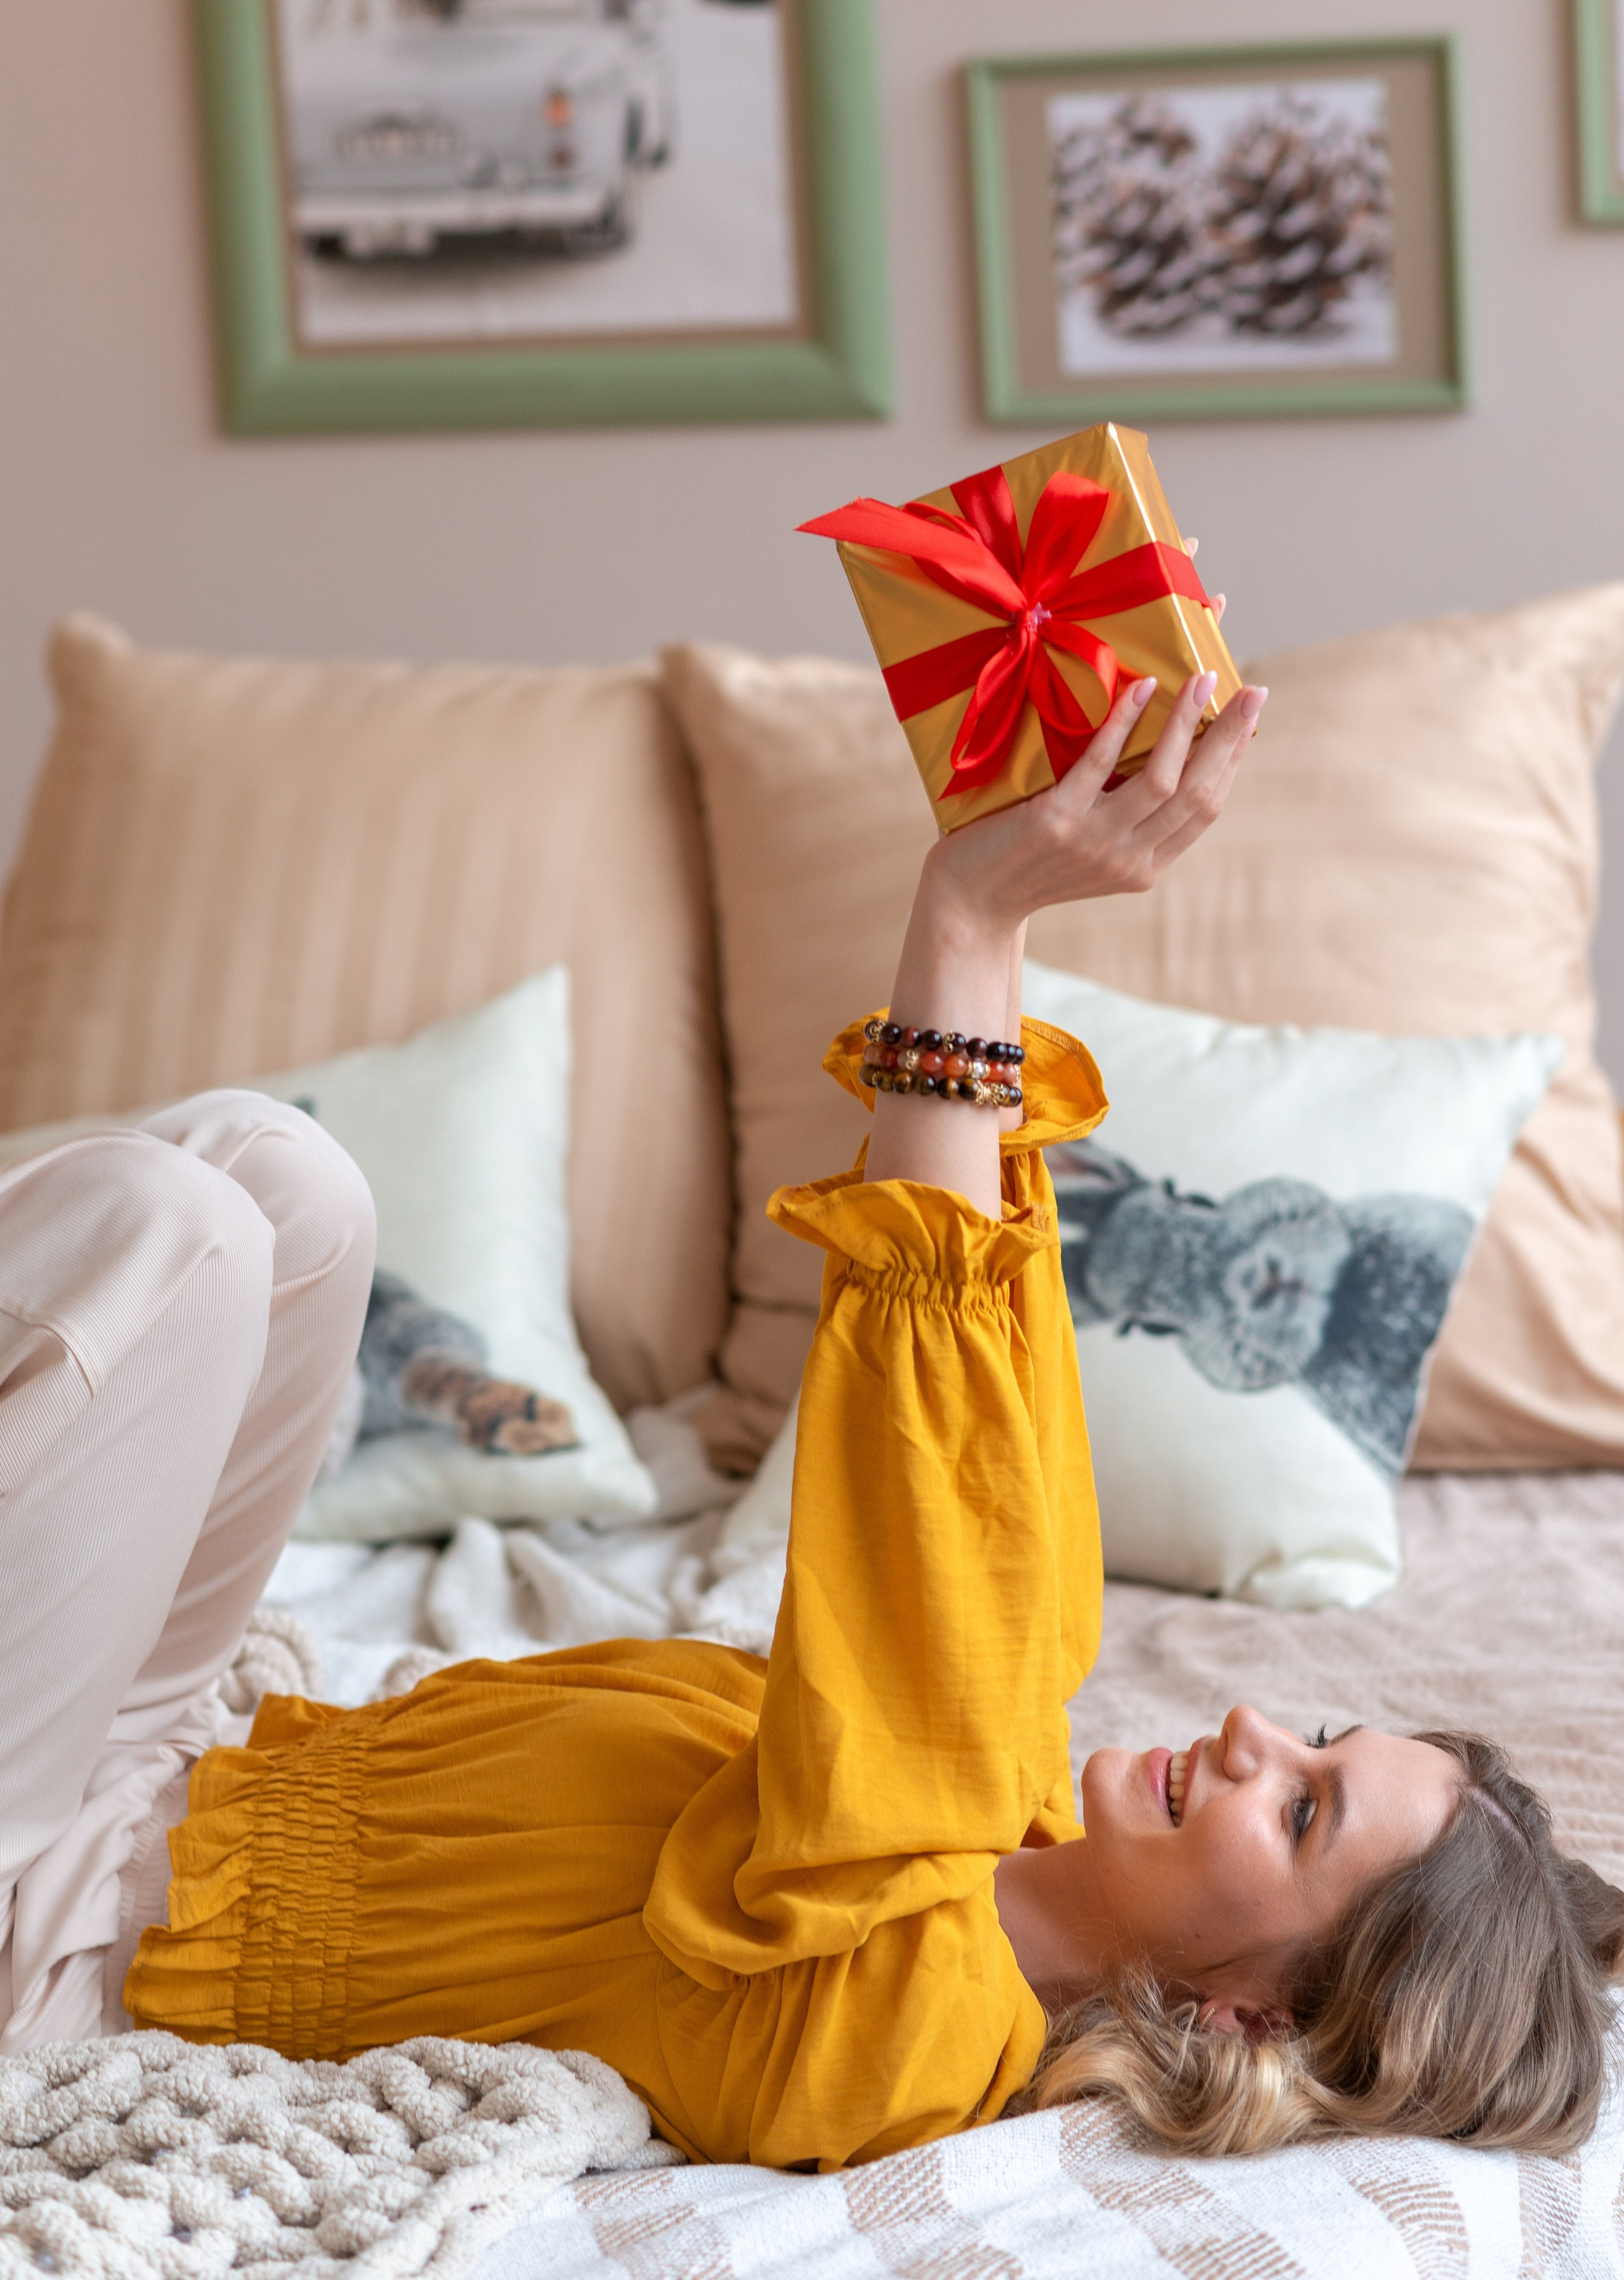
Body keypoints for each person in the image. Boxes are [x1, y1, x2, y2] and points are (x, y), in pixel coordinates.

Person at [1, 669, 1618, 2170]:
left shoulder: (911, 2030)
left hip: (55, 1910)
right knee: (283, 1178)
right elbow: (995, 1389)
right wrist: (1003, 882)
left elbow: (925, 1493)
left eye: (1301, 1809)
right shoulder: (1010, 1789)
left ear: (1247, 2017)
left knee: (170, 1222)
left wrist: (967, 921)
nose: (1258, 1735)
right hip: (161, 1757)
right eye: (1317, 1739)